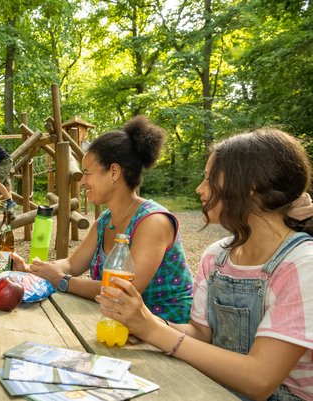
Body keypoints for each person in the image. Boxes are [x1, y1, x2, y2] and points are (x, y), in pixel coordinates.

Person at [97, 128, 313, 400]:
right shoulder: (216, 256)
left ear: (250, 187)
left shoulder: (302, 265)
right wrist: (142, 321)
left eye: (209, 179)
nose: (200, 189)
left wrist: (152, 330)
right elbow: (200, 333)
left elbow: (260, 380)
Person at [11, 115, 193, 323]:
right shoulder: (104, 221)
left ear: (114, 172)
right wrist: (35, 269)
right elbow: (72, 265)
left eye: (88, 173)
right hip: (119, 324)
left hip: (166, 329)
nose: (83, 181)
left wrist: (62, 282)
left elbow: (123, 290)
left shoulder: (154, 222)